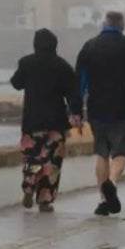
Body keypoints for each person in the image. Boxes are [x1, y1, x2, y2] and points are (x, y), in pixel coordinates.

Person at [74, 11, 125, 216]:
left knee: (102, 153)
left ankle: (103, 200)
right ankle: (112, 182)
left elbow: (79, 81)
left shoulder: (89, 46)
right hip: (122, 108)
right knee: (120, 152)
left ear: (103, 25)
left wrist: (75, 111)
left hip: (97, 109)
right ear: (122, 27)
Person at [10, 28, 82, 213]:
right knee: (52, 162)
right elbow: (74, 94)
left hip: (32, 122)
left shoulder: (26, 63)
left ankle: (29, 185)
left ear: (35, 44)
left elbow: (16, 83)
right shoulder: (63, 66)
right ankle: (44, 200)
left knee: (33, 156)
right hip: (56, 123)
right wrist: (76, 114)